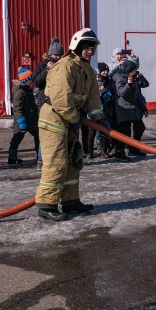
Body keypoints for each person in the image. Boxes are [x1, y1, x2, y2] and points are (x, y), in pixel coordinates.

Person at [34, 28, 111, 221]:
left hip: (69, 121)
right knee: (56, 163)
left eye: (92, 48)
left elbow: (92, 97)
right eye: (86, 47)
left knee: (74, 160)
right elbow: (61, 99)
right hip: (54, 119)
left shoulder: (86, 70)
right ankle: (46, 204)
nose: (90, 52)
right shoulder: (64, 66)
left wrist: (99, 117)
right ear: (76, 47)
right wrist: (76, 120)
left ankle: (70, 201)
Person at [111, 59, 149, 161]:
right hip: (124, 110)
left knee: (140, 127)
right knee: (125, 133)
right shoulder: (120, 78)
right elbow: (121, 93)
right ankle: (119, 153)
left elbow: (138, 93)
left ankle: (133, 148)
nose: (135, 72)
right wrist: (128, 84)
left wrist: (143, 108)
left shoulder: (133, 78)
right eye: (134, 70)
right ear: (129, 70)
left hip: (133, 109)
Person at [8, 67, 40, 166]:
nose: (32, 82)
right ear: (26, 80)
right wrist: (21, 121)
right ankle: (12, 157)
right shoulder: (19, 92)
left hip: (32, 119)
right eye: (30, 79)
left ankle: (40, 156)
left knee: (38, 136)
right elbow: (17, 108)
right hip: (22, 120)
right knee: (17, 137)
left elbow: (32, 104)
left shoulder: (28, 90)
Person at [31, 37, 64, 110]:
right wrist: (47, 70)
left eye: (60, 55)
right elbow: (36, 82)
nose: (58, 57)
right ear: (50, 55)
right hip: (45, 101)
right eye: (56, 55)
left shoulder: (64, 66)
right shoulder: (42, 65)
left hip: (60, 101)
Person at [96, 63, 115, 158]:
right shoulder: (93, 87)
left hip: (106, 111)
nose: (105, 73)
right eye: (103, 71)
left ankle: (105, 149)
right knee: (96, 132)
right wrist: (99, 92)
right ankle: (95, 150)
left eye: (107, 71)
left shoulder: (108, 83)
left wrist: (104, 93)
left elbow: (109, 97)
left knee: (105, 130)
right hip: (95, 112)